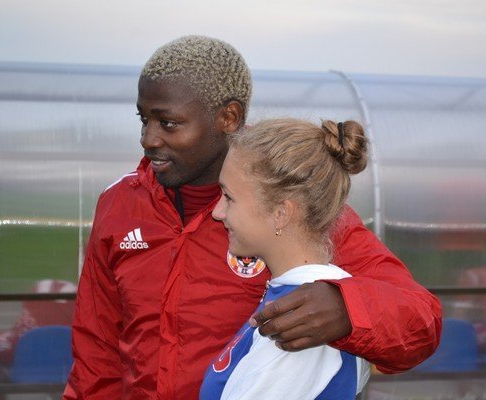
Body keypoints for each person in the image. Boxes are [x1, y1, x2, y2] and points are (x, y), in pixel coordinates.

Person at [64, 35, 442, 399]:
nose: (148, 138)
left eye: (169, 123)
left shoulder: (300, 210)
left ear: (229, 117)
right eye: (143, 119)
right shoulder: (119, 203)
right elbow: (96, 354)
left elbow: (420, 321)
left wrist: (348, 309)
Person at [200, 118, 372, 399]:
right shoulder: (311, 299)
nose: (217, 212)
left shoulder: (303, 324)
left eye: (229, 198)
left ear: (281, 213)